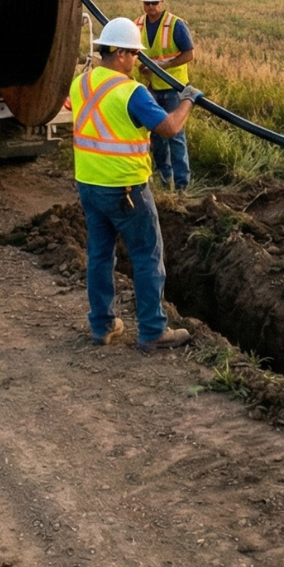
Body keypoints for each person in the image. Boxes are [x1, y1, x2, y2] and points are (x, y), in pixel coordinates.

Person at [73, 17, 203, 351]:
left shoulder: (81, 83)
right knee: (146, 256)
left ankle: (101, 326)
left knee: (100, 256)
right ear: (118, 53)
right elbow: (170, 128)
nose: (136, 61)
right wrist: (188, 99)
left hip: (89, 184)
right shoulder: (132, 92)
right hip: (126, 190)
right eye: (133, 54)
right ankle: (152, 331)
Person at [132, 0, 195, 191]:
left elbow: (189, 54)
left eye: (154, 3)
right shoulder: (137, 25)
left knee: (176, 138)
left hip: (173, 90)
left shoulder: (176, 25)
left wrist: (163, 66)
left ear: (162, 2)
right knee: (157, 138)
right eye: (147, 3)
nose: (151, 7)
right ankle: (164, 179)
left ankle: (181, 186)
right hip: (151, 89)